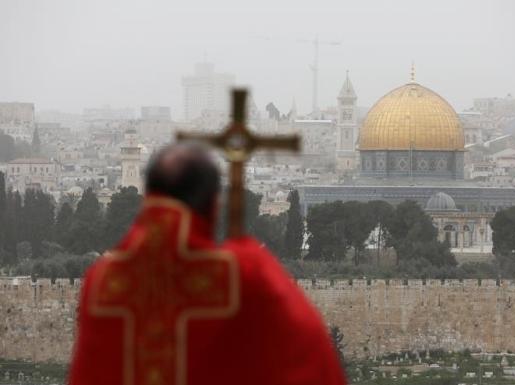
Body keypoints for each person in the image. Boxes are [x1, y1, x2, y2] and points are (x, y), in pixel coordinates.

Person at [68, 143, 346, 385]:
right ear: (213, 206)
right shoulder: (242, 273)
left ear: (148, 195)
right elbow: (313, 364)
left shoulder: (104, 279)